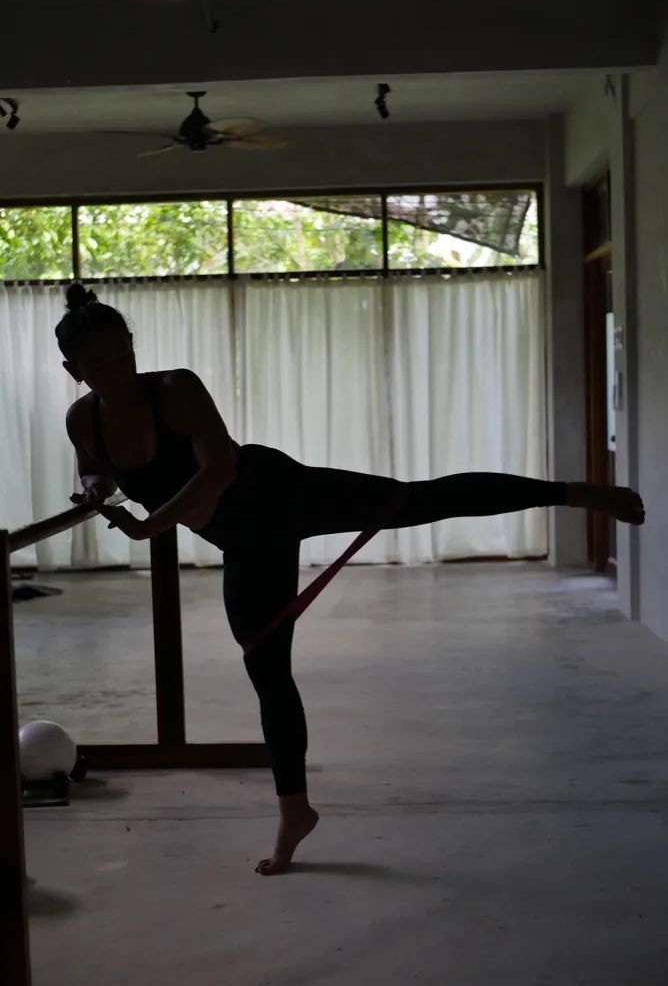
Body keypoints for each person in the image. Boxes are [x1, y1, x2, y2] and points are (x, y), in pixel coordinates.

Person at [58, 283, 645, 876]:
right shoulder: (82, 419)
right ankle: (296, 811)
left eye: (123, 356)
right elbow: (95, 475)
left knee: (418, 502)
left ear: (134, 347)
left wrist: (149, 525)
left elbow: (219, 470)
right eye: (99, 366)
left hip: (278, 494)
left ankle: (576, 494)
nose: (117, 373)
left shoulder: (174, 389)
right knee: (266, 668)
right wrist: (96, 493)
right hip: (241, 544)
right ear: (74, 371)